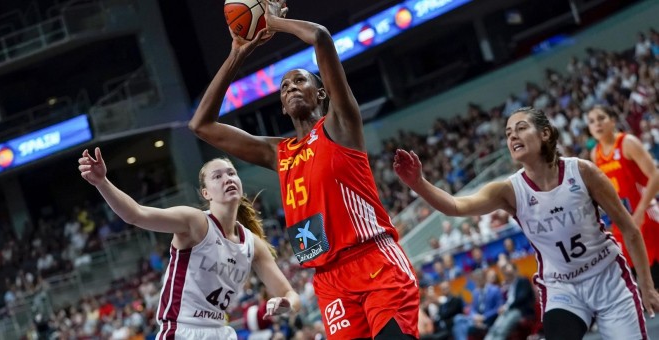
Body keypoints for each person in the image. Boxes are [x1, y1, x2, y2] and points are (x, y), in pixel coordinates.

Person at [188, 0, 419, 338]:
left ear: (321, 93)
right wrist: (238, 52)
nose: (291, 88)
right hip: (329, 280)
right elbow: (201, 124)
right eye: (284, 87)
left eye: (299, 81)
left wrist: (270, 22)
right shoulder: (277, 152)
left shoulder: (340, 126)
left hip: (373, 259)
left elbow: (321, 37)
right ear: (282, 106)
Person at [394, 107, 659, 340]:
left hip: (607, 278)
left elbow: (629, 229)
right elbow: (454, 206)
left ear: (545, 134)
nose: (512, 136)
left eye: (521, 128)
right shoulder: (509, 190)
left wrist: (647, 286)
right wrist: (419, 183)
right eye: (508, 133)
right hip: (562, 286)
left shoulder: (582, 171)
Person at [78, 147, 300, 339]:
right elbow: (136, 214)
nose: (228, 179)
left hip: (220, 332)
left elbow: (289, 293)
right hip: (183, 331)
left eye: (231, 173)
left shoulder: (252, 244)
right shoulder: (196, 222)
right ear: (206, 193)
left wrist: (286, 304)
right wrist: (102, 182)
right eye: (218, 176)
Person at [587, 105, 659, 288]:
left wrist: (641, 210)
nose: (597, 124)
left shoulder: (628, 143)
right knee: (638, 282)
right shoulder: (595, 154)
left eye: (601, 118)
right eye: (592, 121)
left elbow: (655, 175)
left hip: (646, 212)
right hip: (623, 220)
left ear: (612, 121)